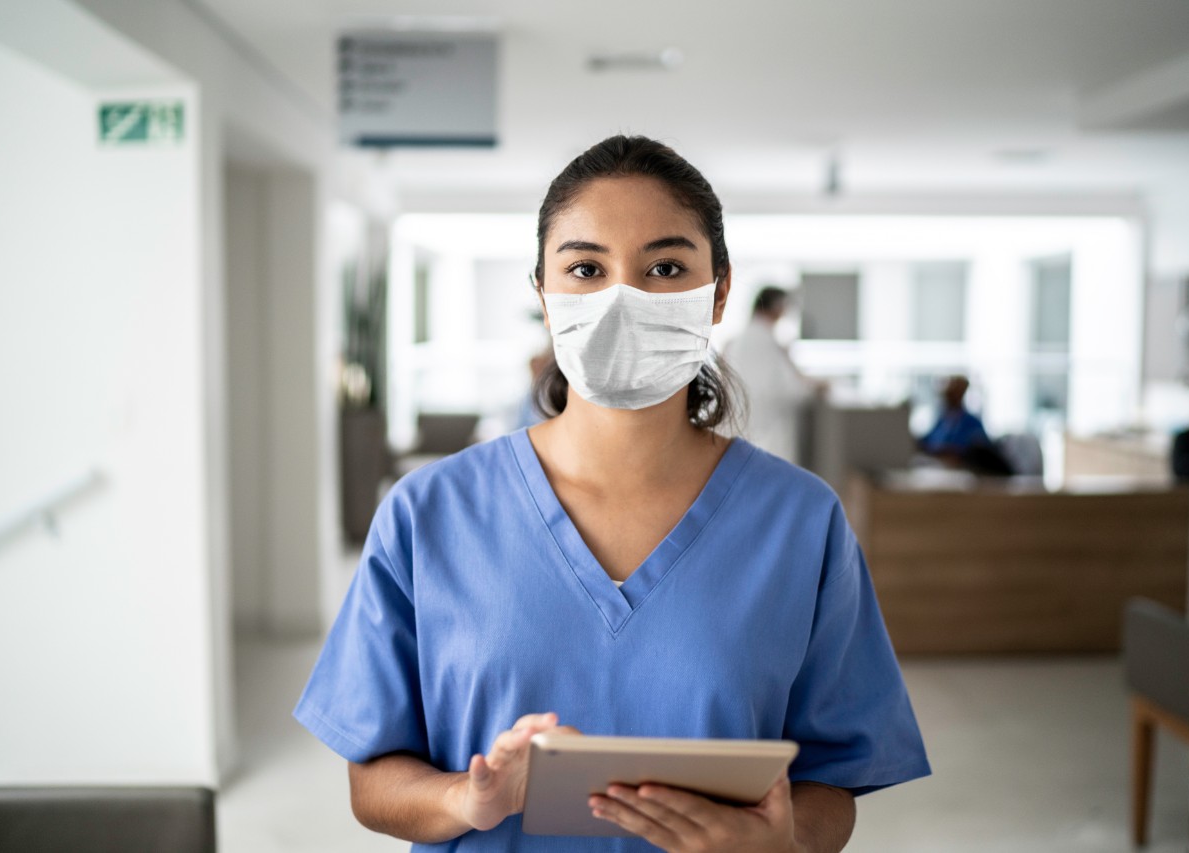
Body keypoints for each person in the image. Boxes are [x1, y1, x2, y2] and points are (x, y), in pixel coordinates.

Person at [293, 135, 930, 852]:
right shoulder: (429, 513)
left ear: (718, 291)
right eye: (587, 268)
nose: (622, 298)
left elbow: (831, 785)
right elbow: (372, 780)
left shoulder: (800, 522)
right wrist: (465, 798)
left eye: (664, 267)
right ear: (543, 294)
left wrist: (780, 842)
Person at [722, 287, 822, 466]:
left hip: (738, 438)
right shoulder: (768, 343)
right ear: (777, 307)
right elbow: (790, 391)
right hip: (768, 439)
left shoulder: (735, 342)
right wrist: (815, 387)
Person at [917, 375, 1012, 476]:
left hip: (963, 474)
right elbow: (926, 442)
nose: (949, 395)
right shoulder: (941, 420)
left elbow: (980, 452)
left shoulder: (972, 423)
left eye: (955, 391)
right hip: (937, 470)